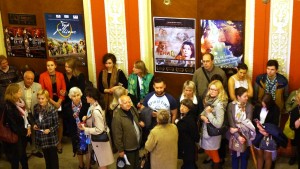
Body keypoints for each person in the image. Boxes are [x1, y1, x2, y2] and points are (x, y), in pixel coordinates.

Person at [79, 87, 114, 169]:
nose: (86, 97)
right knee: (103, 161)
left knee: (102, 163)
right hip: (101, 138)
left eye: (87, 96)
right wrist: (86, 117)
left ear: (91, 97)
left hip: (99, 140)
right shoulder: (95, 105)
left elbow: (99, 129)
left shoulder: (95, 111)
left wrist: (85, 129)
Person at [39, 58, 66, 153]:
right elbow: (43, 92)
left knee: (59, 123)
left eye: (51, 65)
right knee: (50, 122)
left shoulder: (60, 75)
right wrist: (54, 103)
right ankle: (51, 142)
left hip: (59, 101)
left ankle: (59, 143)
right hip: (48, 102)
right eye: (48, 65)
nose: (49, 67)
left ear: (55, 66)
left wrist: (59, 102)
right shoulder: (42, 76)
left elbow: (63, 89)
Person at [98, 53, 128, 139]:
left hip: (116, 100)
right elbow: (100, 87)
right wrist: (108, 90)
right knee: (107, 121)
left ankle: (117, 141)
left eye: (110, 63)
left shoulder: (119, 72)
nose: (107, 65)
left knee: (115, 122)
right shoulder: (102, 73)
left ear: (114, 63)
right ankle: (109, 140)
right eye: (106, 63)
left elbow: (125, 85)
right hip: (104, 100)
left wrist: (115, 88)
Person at [199, 80, 228, 169]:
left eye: (215, 90)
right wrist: (202, 117)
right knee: (207, 150)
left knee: (213, 153)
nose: (212, 91)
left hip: (213, 134)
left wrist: (209, 113)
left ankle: (217, 165)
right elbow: (203, 113)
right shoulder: (210, 100)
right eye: (210, 89)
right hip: (207, 132)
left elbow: (219, 124)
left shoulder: (219, 105)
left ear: (219, 91)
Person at [2, 83, 30, 169]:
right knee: (16, 157)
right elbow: (13, 126)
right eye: (19, 91)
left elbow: (25, 116)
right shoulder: (9, 106)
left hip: (22, 133)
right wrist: (26, 131)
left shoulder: (20, 101)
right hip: (16, 135)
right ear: (13, 94)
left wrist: (28, 126)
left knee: (22, 155)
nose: (21, 91)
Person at [227, 87, 255, 169]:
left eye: (247, 96)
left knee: (244, 156)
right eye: (245, 96)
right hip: (234, 135)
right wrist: (237, 136)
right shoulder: (231, 106)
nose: (247, 98)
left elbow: (248, 123)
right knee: (234, 156)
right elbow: (231, 123)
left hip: (245, 135)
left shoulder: (249, 106)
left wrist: (240, 133)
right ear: (238, 97)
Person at [18, 70, 43, 158]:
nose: (30, 81)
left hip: (34, 112)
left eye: (32, 79)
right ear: (23, 78)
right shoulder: (18, 86)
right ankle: (25, 151)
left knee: (34, 131)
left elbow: (41, 99)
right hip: (22, 113)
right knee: (24, 132)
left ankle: (34, 149)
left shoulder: (38, 86)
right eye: (28, 79)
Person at [112, 95, 142, 169]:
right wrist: (121, 150)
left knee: (136, 165)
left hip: (136, 145)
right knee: (129, 166)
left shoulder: (132, 109)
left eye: (129, 102)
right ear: (120, 104)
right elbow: (117, 136)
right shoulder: (117, 117)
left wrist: (139, 123)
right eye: (125, 103)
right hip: (128, 148)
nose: (128, 104)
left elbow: (136, 119)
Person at [63, 87, 89, 169]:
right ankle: (81, 165)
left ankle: (88, 166)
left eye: (78, 95)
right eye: (74, 96)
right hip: (74, 131)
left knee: (87, 149)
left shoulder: (86, 104)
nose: (76, 97)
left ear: (81, 95)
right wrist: (69, 131)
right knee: (78, 149)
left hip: (86, 130)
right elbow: (66, 120)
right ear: (70, 97)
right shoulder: (66, 106)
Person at [32, 89, 59, 169]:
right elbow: (34, 119)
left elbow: (57, 124)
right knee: (46, 158)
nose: (40, 100)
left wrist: (50, 129)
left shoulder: (52, 109)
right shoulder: (36, 107)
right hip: (41, 137)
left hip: (50, 138)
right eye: (39, 98)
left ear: (47, 99)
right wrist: (34, 124)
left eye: (42, 98)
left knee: (53, 158)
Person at [253, 93, 280, 169]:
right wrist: (258, 128)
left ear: (270, 103)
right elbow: (254, 119)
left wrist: (265, 130)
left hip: (269, 134)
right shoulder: (258, 107)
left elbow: (275, 124)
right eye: (262, 103)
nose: (263, 105)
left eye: (265, 104)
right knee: (259, 155)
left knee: (268, 157)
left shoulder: (275, 109)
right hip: (259, 133)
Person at [176, 99, 200, 169]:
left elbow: (195, 136)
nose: (181, 108)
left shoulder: (189, 120)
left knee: (188, 162)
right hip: (185, 145)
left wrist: (178, 123)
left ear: (189, 109)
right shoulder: (184, 116)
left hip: (188, 146)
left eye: (184, 107)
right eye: (181, 106)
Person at [285, 88, 300, 165]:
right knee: (294, 141)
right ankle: (293, 157)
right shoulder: (295, 93)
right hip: (294, 118)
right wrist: (291, 112)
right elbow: (287, 104)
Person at [289, 90, 300, 169]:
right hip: (297, 134)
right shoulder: (295, 110)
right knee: (295, 145)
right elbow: (292, 125)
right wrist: (295, 125)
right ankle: (294, 157)